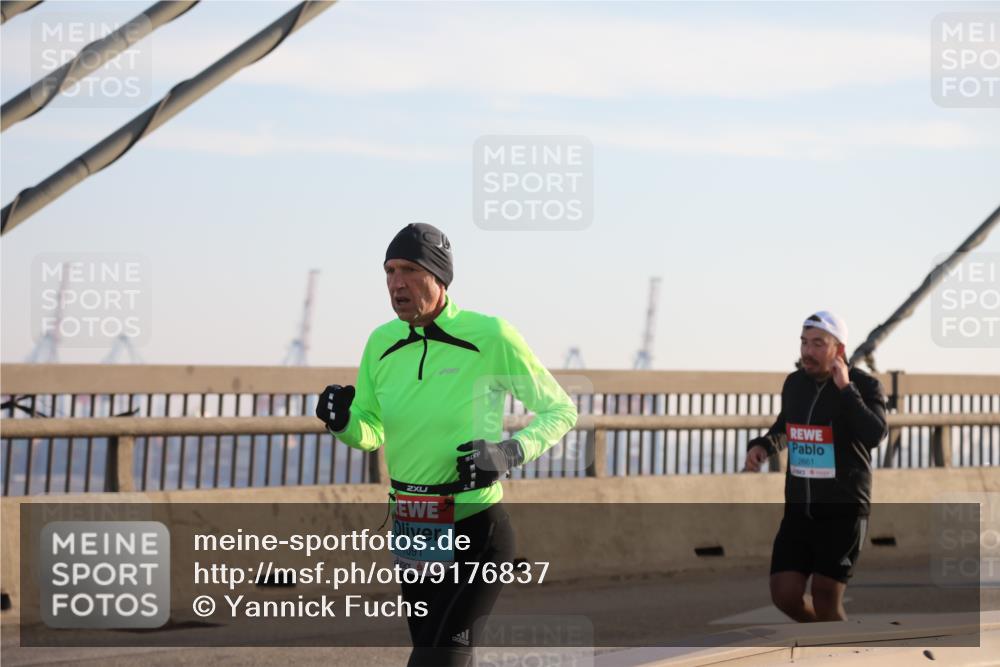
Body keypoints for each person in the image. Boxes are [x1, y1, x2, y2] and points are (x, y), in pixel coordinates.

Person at [315, 223, 578, 666]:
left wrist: (509, 453)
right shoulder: (380, 343)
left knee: (437, 658)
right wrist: (342, 422)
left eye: (409, 270)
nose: (396, 283)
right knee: (441, 653)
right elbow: (372, 431)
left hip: (476, 528)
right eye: (389, 271)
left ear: (439, 277)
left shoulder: (490, 335)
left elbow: (560, 411)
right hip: (414, 532)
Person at [743, 311, 888, 622]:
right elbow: (785, 427)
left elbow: (875, 434)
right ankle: (825, 642)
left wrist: (846, 389)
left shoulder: (865, 386)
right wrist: (763, 446)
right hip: (800, 509)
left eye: (818, 344)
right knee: (784, 594)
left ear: (839, 350)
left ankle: (839, 650)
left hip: (844, 509)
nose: (807, 352)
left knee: (825, 595)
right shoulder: (795, 383)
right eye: (804, 343)